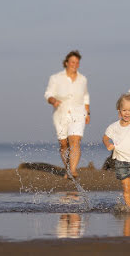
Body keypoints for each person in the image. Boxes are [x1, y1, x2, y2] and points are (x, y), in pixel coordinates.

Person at [44, 50, 90, 179]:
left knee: (75, 141)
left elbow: (85, 96)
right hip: (61, 112)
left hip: (78, 112)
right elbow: (48, 94)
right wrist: (53, 100)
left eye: (77, 62)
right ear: (66, 63)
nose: (74, 64)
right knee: (64, 144)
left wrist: (87, 112)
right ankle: (68, 168)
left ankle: (73, 171)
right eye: (72, 62)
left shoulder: (83, 79)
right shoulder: (55, 78)